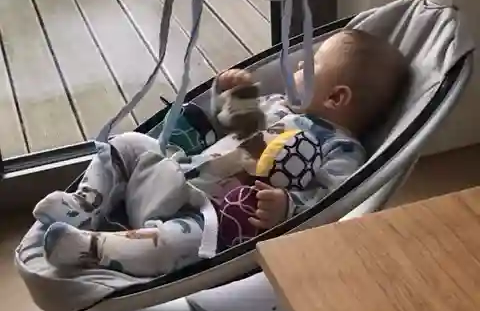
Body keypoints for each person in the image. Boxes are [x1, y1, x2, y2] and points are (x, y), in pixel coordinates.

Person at [37, 29, 409, 277]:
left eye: (310, 66)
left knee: (183, 243)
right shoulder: (277, 106)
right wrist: (231, 93)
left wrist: (288, 207)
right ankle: (85, 204)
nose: (298, 66)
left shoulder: (342, 149)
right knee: (129, 143)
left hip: (206, 214)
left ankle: (94, 248)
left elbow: (333, 202)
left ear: (335, 97)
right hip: (173, 173)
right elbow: (232, 123)